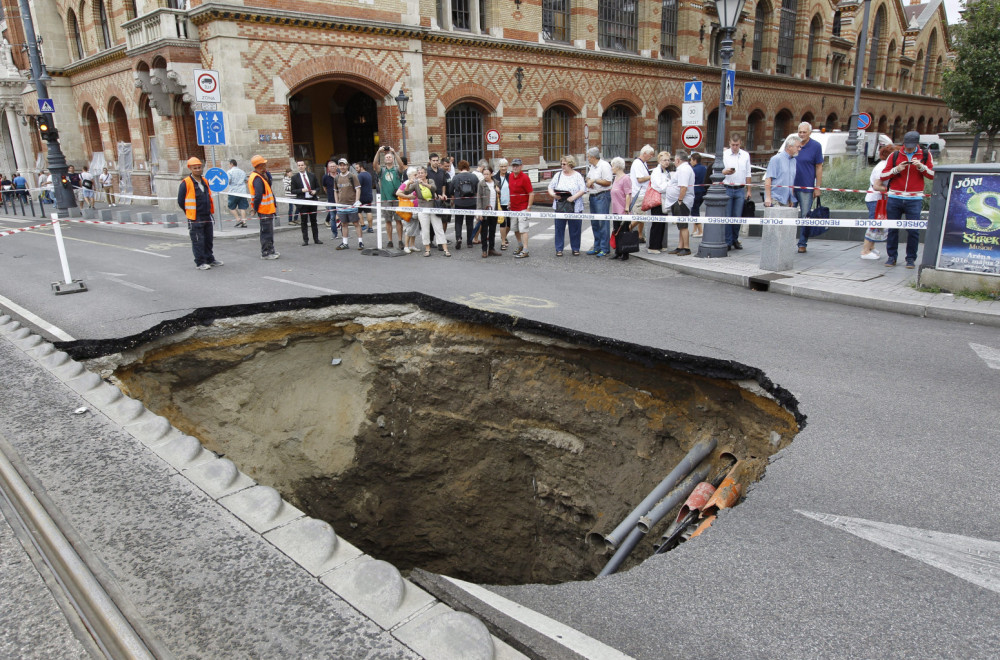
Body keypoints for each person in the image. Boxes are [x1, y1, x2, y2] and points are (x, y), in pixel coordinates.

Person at [879, 130, 934, 268]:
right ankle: (892, 257)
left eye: (911, 146)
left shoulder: (925, 155)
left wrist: (921, 167)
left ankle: (911, 259)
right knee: (892, 229)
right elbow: (883, 176)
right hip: (894, 197)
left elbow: (933, 175)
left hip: (914, 199)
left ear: (917, 143)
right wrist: (896, 169)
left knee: (913, 230)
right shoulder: (895, 155)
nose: (908, 148)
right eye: (907, 145)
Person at [177, 157, 222, 270]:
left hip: (206, 215)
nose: (198, 170)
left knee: (208, 239)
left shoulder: (205, 181)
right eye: (195, 168)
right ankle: (200, 262)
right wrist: (189, 212)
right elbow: (180, 200)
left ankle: (210, 259)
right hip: (195, 217)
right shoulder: (186, 183)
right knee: (198, 240)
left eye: (199, 167)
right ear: (190, 168)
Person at [404, 165, 449, 257]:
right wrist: (408, 184)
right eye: (419, 173)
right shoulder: (416, 184)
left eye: (422, 173)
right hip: (422, 208)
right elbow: (406, 193)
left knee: (438, 228)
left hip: (432, 207)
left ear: (426, 174)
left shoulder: (430, 181)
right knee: (425, 229)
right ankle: (427, 249)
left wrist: (424, 184)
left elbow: (434, 188)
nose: (420, 175)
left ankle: (445, 249)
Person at [794, 122, 824, 253]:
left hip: (807, 187)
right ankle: (786, 241)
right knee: (788, 216)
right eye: (800, 132)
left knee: (805, 216)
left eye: (804, 132)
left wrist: (817, 187)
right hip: (791, 186)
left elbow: (819, 167)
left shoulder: (816, 146)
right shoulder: (794, 144)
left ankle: (802, 243)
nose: (801, 134)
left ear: (810, 133)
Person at [548, 155, 586, 256]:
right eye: (561, 164)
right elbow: (550, 187)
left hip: (575, 205)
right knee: (559, 228)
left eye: (564, 164)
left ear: (570, 164)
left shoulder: (577, 175)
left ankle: (575, 248)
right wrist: (553, 195)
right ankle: (559, 249)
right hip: (560, 205)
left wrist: (573, 197)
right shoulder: (558, 175)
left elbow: (583, 189)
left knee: (575, 228)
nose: (562, 166)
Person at [861, 144, 894, 260]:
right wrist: (889, 191)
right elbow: (877, 186)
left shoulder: (883, 165)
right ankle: (865, 250)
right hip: (875, 199)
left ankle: (871, 247)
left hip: (877, 198)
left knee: (877, 223)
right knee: (874, 224)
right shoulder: (882, 167)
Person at [722, 134, 753, 250]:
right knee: (728, 216)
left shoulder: (745, 155)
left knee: (737, 216)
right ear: (729, 144)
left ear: (740, 144)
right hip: (728, 188)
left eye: (737, 145)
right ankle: (728, 241)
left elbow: (748, 173)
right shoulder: (725, 155)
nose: (735, 147)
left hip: (740, 189)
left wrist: (749, 190)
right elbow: (718, 171)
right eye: (733, 145)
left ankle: (735, 239)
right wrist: (725, 172)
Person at [247, 154, 279, 260]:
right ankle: (266, 252)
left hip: (267, 209)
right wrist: (255, 209)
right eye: (264, 164)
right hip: (264, 209)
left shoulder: (261, 176)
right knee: (266, 232)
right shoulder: (257, 178)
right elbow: (258, 195)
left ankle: (270, 250)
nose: (266, 165)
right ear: (260, 165)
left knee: (268, 231)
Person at [374, 146, 405, 249]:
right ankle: (390, 240)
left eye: (390, 157)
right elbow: (375, 165)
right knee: (388, 221)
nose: (388, 158)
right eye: (386, 157)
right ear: (384, 159)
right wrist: (378, 152)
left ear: (393, 159)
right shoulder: (382, 171)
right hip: (385, 199)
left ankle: (400, 240)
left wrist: (394, 152)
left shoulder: (396, 170)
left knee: (398, 220)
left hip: (396, 199)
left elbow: (402, 165)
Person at [585, 147, 613, 257]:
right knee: (595, 223)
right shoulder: (592, 166)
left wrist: (595, 180)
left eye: (588, 157)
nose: (587, 159)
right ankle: (597, 247)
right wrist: (589, 181)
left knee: (603, 223)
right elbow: (588, 178)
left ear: (593, 157)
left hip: (602, 196)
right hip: (593, 195)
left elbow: (608, 182)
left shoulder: (604, 166)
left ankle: (605, 248)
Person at [610, 156, 638, 260]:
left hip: (623, 210)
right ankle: (618, 251)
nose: (611, 168)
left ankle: (625, 252)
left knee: (624, 231)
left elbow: (628, 194)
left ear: (617, 167)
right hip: (615, 209)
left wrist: (627, 208)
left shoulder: (626, 178)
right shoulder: (616, 178)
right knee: (616, 230)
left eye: (612, 165)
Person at [646, 151, 675, 254]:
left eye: (668, 160)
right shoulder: (657, 172)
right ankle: (653, 246)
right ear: (659, 160)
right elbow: (661, 187)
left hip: (664, 199)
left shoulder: (665, 172)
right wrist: (669, 184)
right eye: (664, 160)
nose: (667, 162)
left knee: (662, 223)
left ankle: (659, 244)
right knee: (657, 223)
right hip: (657, 200)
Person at [668, 149, 695, 256]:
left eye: (674, 160)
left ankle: (686, 248)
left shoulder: (684, 170)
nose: (674, 162)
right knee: (680, 225)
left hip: (682, 201)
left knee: (683, 225)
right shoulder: (684, 169)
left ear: (678, 160)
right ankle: (680, 246)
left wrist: (679, 200)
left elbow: (683, 187)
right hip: (681, 200)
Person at [333, 158, 364, 250]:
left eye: (344, 165)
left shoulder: (352, 176)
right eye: (340, 165)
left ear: (347, 166)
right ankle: (345, 243)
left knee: (356, 223)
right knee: (344, 224)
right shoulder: (336, 178)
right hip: (341, 205)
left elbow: (358, 189)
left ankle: (360, 242)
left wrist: (356, 201)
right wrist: (337, 203)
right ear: (338, 166)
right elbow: (336, 191)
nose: (342, 167)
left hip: (351, 204)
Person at [763, 135, 802, 208]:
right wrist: (768, 198)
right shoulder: (776, 159)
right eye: (798, 147)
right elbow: (768, 178)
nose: (800, 149)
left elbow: (791, 180)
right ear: (790, 147)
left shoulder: (794, 161)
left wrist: (791, 198)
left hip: (786, 200)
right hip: (775, 198)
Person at [291, 160, 322, 246]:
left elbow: (318, 187)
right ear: (297, 167)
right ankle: (305, 240)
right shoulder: (295, 178)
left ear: (305, 166)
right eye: (299, 165)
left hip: (312, 200)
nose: (300, 167)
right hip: (302, 202)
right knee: (304, 221)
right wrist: (301, 190)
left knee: (314, 221)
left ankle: (316, 239)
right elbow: (292, 190)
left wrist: (315, 191)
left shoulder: (312, 175)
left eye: (302, 165)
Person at [508, 158, 534, 258]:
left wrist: (528, 207)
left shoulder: (525, 178)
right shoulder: (510, 176)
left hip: (523, 207)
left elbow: (531, 193)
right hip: (514, 207)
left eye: (517, 165)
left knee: (523, 229)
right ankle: (520, 245)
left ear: (521, 166)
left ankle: (526, 249)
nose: (515, 167)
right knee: (515, 228)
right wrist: (510, 201)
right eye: (513, 165)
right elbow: (512, 191)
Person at [449, 160, 479, 249]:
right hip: (471, 202)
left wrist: (453, 197)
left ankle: (458, 238)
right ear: (468, 167)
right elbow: (477, 190)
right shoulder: (474, 177)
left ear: (459, 168)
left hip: (459, 202)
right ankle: (469, 242)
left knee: (458, 222)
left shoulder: (455, 178)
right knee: (470, 223)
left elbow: (450, 190)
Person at [629, 144, 655, 242]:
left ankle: (640, 235)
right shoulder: (638, 163)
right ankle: (625, 229)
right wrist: (651, 176)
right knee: (640, 216)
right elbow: (640, 179)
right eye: (650, 154)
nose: (651, 156)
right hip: (639, 193)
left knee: (642, 215)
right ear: (644, 153)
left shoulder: (643, 163)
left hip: (643, 193)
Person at [476, 163, 501, 258]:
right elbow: (479, 199)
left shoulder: (496, 183)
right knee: (484, 231)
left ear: (492, 174)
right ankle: (484, 250)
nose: (485, 176)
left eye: (487, 174)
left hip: (494, 211)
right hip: (485, 210)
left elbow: (501, 197)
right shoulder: (481, 184)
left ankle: (491, 248)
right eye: (484, 174)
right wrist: (479, 213)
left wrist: (499, 191)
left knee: (492, 230)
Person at [426, 153, 451, 245]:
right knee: (432, 222)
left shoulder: (441, 171)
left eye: (437, 160)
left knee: (442, 220)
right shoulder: (427, 172)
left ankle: (440, 240)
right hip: (431, 199)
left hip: (441, 199)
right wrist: (436, 195)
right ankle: (430, 240)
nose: (435, 162)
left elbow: (444, 184)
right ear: (430, 161)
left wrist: (443, 193)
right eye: (434, 160)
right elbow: (428, 186)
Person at [396, 167, 420, 253]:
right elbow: (398, 193)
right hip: (408, 208)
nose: (417, 176)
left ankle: (412, 245)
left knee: (415, 227)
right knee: (409, 227)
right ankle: (406, 246)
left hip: (416, 208)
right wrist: (408, 196)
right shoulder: (406, 183)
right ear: (410, 176)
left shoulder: (416, 183)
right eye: (415, 175)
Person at [223, 159, 249, 227]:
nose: (229, 166)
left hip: (233, 192)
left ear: (231, 164)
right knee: (242, 207)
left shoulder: (229, 172)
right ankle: (244, 221)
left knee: (231, 206)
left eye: (229, 164)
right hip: (242, 192)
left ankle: (238, 219)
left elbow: (228, 181)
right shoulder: (242, 171)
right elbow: (247, 180)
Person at [494, 158, 512, 250]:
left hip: (509, 203)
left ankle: (503, 236)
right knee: (502, 222)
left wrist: (512, 200)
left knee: (509, 224)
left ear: (507, 166)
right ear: (499, 167)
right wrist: (495, 188)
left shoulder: (510, 176)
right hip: (499, 203)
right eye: (501, 166)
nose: (503, 168)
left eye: (505, 166)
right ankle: (503, 242)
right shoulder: (495, 177)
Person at [690, 153, 707, 237]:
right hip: (703, 191)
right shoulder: (705, 168)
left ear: (694, 160)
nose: (690, 162)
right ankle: (694, 230)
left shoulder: (693, 170)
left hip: (696, 192)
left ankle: (700, 231)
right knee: (696, 209)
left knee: (694, 211)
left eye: (691, 160)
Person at [321, 161, 339, 234]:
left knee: (343, 217)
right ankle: (334, 233)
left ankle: (345, 234)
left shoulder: (340, 175)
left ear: (336, 167)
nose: (332, 168)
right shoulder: (325, 177)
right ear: (328, 168)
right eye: (331, 166)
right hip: (331, 199)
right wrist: (329, 194)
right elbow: (324, 187)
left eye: (334, 166)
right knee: (332, 217)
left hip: (341, 199)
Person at [356, 161, 374, 233]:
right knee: (368, 211)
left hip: (361, 196)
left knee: (358, 211)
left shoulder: (360, 176)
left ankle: (363, 225)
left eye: (357, 168)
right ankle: (370, 227)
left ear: (361, 167)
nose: (356, 169)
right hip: (369, 195)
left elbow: (358, 187)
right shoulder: (369, 174)